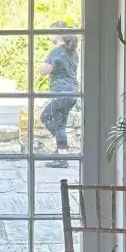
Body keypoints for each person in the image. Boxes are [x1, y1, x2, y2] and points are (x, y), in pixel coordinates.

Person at [39, 24, 79, 168]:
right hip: (72, 93)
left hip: (61, 93)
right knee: (59, 124)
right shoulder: (73, 53)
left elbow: (45, 70)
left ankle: (62, 152)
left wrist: (40, 66)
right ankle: (62, 153)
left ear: (58, 34)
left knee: (46, 118)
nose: (49, 35)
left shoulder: (56, 51)